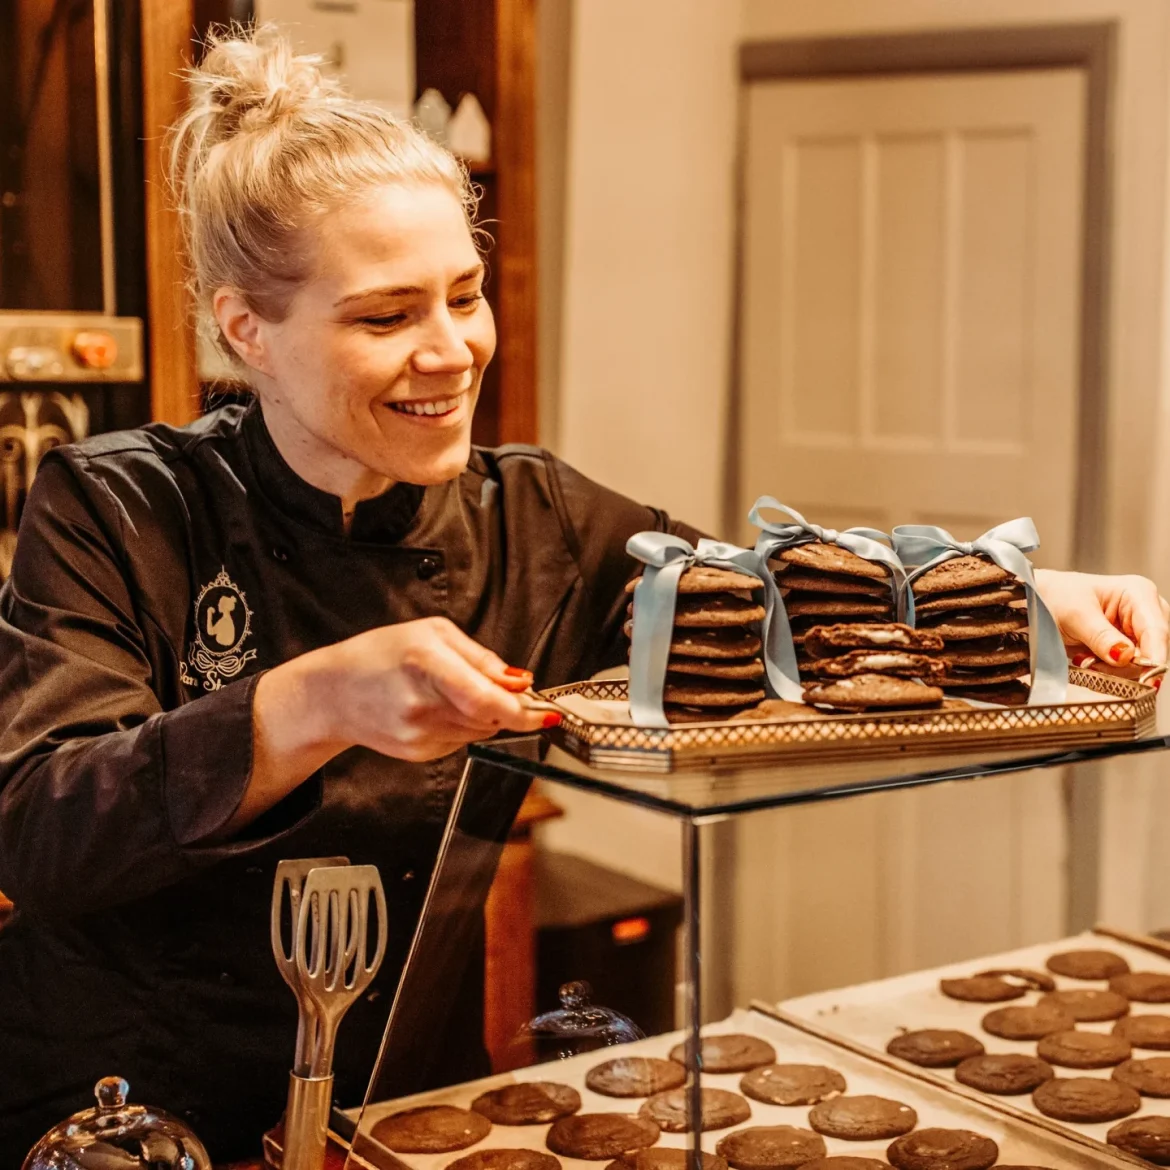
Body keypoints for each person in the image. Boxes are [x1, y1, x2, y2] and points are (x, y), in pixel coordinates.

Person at [0, 25, 1164, 1163]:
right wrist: (312, 702)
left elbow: (764, 603)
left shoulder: (537, 517)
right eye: (387, 315)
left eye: (465, 294)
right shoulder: (117, 508)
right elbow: (41, 831)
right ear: (246, 330)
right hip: (134, 1113)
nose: (453, 349)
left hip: (403, 1102)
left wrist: (1010, 594)